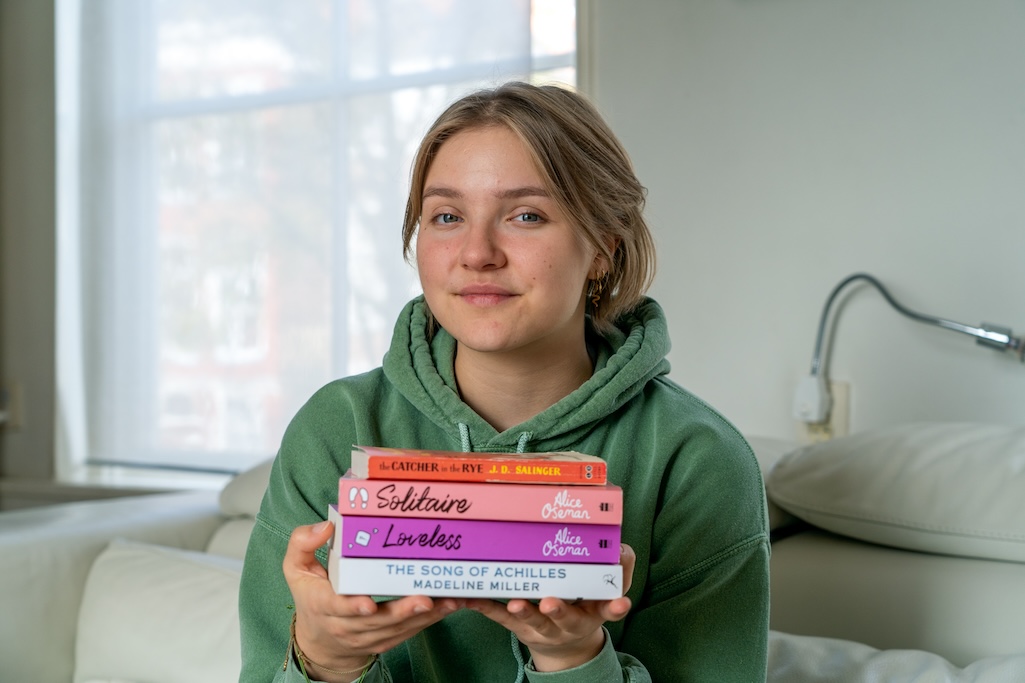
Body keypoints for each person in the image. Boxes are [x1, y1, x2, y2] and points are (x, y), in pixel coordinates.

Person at [239, 81, 770, 683]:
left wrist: (573, 659)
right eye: (447, 216)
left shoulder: (697, 459)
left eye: (526, 216)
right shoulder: (336, 427)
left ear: (603, 248)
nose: (477, 252)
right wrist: (326, 661)